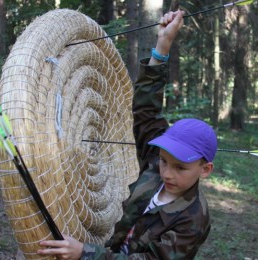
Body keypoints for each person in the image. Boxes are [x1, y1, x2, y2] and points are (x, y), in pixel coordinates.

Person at [37, 10, 217, 259]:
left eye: (180, 168)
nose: (167, 173)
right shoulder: (155, 164)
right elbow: (146, 111)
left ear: (205, 169)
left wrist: (85, 253)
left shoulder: (193, 219)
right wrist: (162, 46)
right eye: (164, 161)